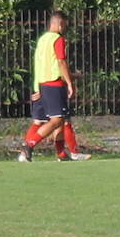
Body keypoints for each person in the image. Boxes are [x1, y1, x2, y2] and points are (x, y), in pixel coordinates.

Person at [18, 11, 76, 162]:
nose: (65, 28)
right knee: (56, 120)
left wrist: (37, 88)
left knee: (52, 120)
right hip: (54, 84)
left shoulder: (42, 40)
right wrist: (70, 82)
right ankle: (29, 145)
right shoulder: (58, 39)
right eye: (65, 25)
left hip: (42, 84)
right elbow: (61, 62)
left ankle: (61, 154)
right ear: (60, 24)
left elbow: (40, 63)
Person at [23, 90, 91, 161]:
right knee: (61, 120)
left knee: (40, 121)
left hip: (44, 90)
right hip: (51, 91)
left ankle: (62, 154)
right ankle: (73, 153)